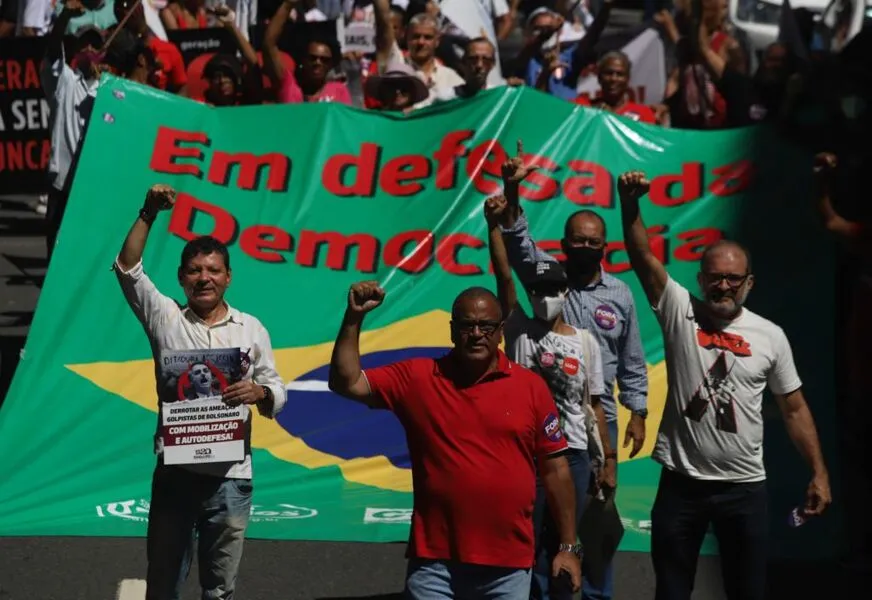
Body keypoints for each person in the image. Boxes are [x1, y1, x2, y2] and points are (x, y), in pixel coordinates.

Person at [616, 170, 832, 600]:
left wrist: (819, 471)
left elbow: (794, 409)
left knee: (747, 592)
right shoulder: (679, 309)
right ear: (700, 280)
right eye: (715, 276)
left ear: (749, 282)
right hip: (681, 485)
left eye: (734, 278)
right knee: (672, 592)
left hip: (744, 489)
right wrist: (630, 205)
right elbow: (642, 257)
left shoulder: (771, 336)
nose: (724, 285)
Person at [328, 281, 582, 599]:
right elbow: (345, 381)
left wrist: (569, 546)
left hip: (508, 567)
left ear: (501, 330)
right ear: (452, 330)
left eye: (486, 326)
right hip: (435, 566)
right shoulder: (417, 377)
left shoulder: (531, 387)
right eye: (467, 325)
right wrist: (353, 318)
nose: (476, 334)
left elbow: (556, 471)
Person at [114, 185, 286, 600]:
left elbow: (277, 390)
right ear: (181, 277)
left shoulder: (251, 328)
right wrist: (149, 211)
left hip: (230, 481)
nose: (203, 278)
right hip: (175, 476)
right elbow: (126, 267)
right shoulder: (165, 317)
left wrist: (259, 393)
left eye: (213, 270)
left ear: (228, 277)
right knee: (163, 587)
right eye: (194, 270)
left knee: (219, 591)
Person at [497, 141, 648, 600]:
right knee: (546, 530)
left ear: (605, 246)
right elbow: (515, 246)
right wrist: (511, 188)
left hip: (594, 430)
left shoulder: (620, 294)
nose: (584, 247)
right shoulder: (548, 278)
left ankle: (596, 595)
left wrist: (637, 411)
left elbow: (632, 358)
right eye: (576, 241)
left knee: (594, 527)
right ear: (563, 245)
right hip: (540, 430)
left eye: (593, 242)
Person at [484, 192, 615, 600]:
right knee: (526, 541)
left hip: (573, 452)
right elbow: (506, 278)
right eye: (537, 288)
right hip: (524, 451)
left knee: (567, 542)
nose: (544, 295)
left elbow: (594, 405)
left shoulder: (585, 341)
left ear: (566, 292)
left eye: (553, 288)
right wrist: (492, 226)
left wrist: (607, 461)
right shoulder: (520, 328)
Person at [263, 0, 351, 104]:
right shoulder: (289, 85)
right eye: (312, 58)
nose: (318, 62)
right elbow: (269, 45)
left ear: (331, 64)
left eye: (325, 60)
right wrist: (287, 4)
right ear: (303, 60)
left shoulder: (339, 90)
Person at [573, 51, 659, 125]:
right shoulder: (582, 106)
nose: (614, 78)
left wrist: (612, 118)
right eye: (608, 73)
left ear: (628, 79)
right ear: (599, 78)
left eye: (620, 74)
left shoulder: (644, 113)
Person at [364, 60, 429, 112]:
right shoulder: (372, 116)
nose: (398, 92)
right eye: (392, 86)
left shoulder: (421, 119)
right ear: (383, 90)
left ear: (413, 91)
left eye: (404, 87)